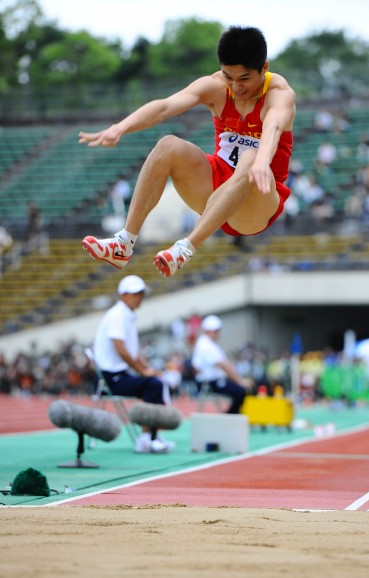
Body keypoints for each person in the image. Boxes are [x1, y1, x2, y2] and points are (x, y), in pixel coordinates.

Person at [79, 26, 296, 277]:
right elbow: (164, 107)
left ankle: (186, 247)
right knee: (168, 145)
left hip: (257, 202)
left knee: (250, 159)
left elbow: (274, 125)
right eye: (229, 77)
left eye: (244, 79)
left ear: (264, 68)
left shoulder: (279, 94)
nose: (236, 87)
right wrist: (120, 127)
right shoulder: (215, 86)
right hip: (216, 191)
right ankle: (123, 243)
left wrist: (262, 161)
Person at [93, 274, 174, 453]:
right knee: (153, 385)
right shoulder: (118, 315)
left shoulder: (126, 315)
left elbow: (132, 352)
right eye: (135, 293)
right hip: (110, 379)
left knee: (155, 382)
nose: (139, 297)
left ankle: (152, 435)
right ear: (123, 295)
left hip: (118, 375)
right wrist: (144, 372)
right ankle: (146, 438)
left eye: (141, 293)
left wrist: (148, 369)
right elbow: (120, 348)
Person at [191, 315, 252, 414]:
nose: (219, 334)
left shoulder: (205, 343)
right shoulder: (206, 345)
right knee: (240, 391)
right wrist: (239, 381)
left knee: (239, 390)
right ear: (212, 331)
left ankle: (230, 415)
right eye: (217, 331)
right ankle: (230, 416)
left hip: (211, 380)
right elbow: (224, 365)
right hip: (210, 382)